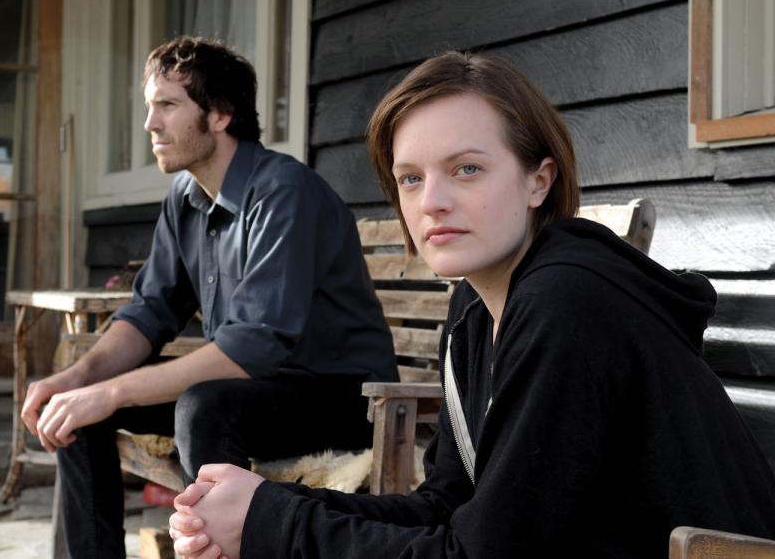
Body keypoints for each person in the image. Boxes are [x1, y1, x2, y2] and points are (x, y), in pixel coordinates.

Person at [167, 51, 775, 558]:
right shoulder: (476, 310)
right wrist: (266, 503)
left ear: (538, 181)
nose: (431, 201)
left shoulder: (567, 305)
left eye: (466, 169)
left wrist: (271, 523)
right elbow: (447, 506)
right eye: (410, 178)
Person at [19, 36, 397, 558]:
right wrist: (79, 382)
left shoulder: (284, 191)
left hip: (344, 398)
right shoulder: (186, 197)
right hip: (255, 392)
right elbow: (150, 311)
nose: (150, 124)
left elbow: (253, 347)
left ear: (220, 114)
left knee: (203, 405)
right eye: (150, 106)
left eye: (167, 105)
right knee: (80, 410)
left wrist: (113, 392)